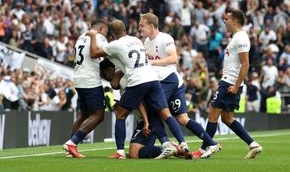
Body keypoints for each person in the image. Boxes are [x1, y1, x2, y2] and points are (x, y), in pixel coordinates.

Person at [86, 20, 186, 159]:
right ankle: (181, 144)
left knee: (121, 116)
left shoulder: (115, 45)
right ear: (125, 31)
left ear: (112, 35)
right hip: (153, 77)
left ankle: (120, 152)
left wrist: (92, 36)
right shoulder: (136, 40)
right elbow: (125, 64)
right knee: (166, 114)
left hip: (138, 80)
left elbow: (93, 53)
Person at [139, 13, 221, 158]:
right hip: (164, 82)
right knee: (182, 118)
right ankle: (211, 143)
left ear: (151, 26)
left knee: (153, 110)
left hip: (169, 79)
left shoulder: (165, 38)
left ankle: (168, 144)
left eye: (141, 25)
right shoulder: (146, 42)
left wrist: (152, 62)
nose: (139, 28)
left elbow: (173, 58)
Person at [192, 9, 263, 159]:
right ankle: (253, 144)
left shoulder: (240, 38)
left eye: (227, 19)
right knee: (227, 118)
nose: (224, 21)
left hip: (229, 82)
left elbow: (245, 64)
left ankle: (205, 148)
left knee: (212, 114)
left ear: (235, 21)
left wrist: (236, 85)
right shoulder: (237, 37)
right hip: (231, 82)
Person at [63, 20, 108, 158]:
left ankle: (70, 147)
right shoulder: (99, 37)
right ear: (101, 28)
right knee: (99, 115)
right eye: (106, 31)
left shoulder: (81, 37)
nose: (106, 34)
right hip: (90, 79)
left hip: (78, 77)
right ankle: (72, 142)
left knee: (84, 114)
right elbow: (101, 53)